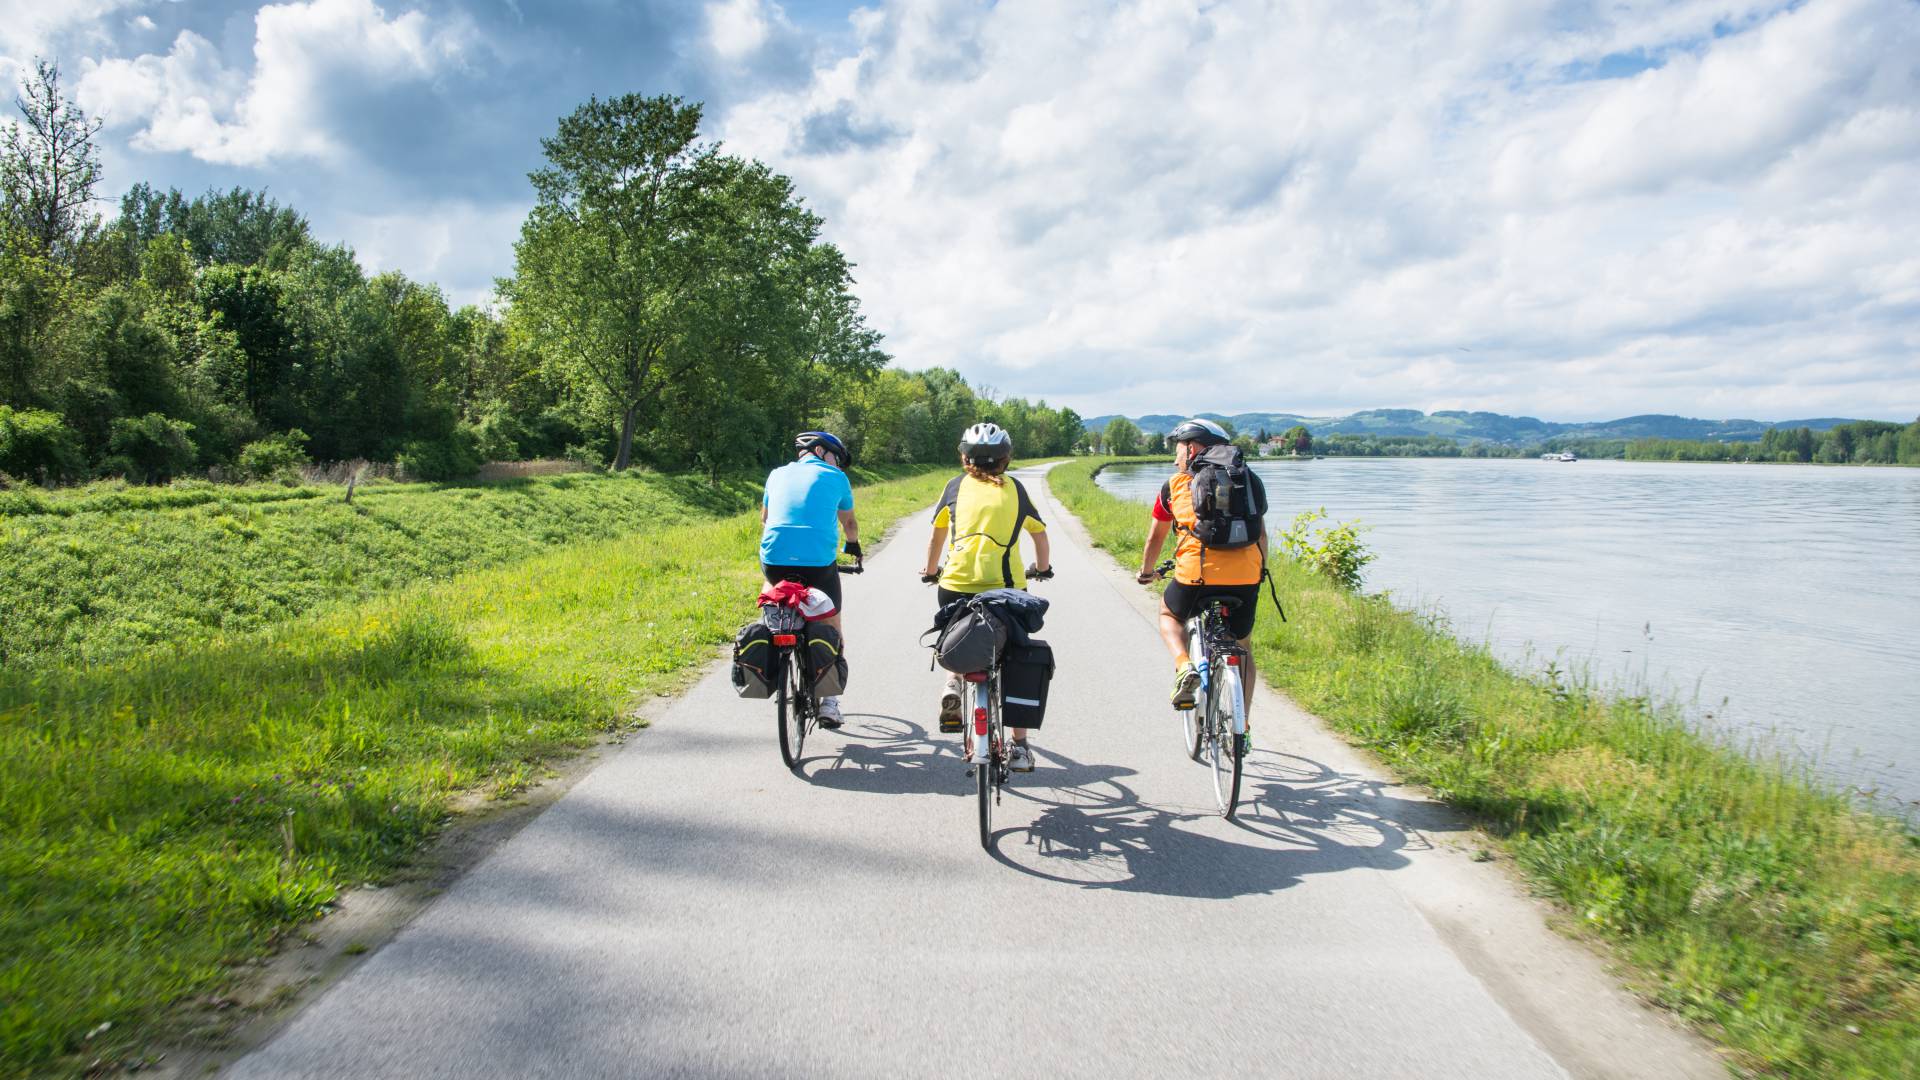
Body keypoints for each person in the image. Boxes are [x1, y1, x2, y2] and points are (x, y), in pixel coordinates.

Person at [921, 422, 1052, 772]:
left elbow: (936, 539)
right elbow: (1040, 537)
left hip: (955, 586)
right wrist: (1043, 567)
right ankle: (1020, 746)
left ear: (965, 458)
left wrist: (930, 571)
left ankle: (952, 682)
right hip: (1006, 590)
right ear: (1006, 460)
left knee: (955, 637)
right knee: (1013, 658)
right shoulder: (1017, 490)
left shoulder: (954, 487)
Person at [1135, 418, 1269, 732]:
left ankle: (1184, 665)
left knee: (1169, 613)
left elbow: (1156, 537)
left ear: (1193, 448)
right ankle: (1243, 726)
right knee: (1243, 646)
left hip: (1195, 575)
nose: (1175, 458)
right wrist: (1259, 572)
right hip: (1246, 579)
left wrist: (1146, 572)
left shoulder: (1176, 484)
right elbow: (1260, 535)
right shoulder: (1247, 479)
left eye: (1178, 450)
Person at [761, 431, 860, 727]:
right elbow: (850, 522)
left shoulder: (776, 474)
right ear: (819, 450)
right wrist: (852, 545)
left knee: (772, 591)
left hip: (773, 559)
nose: (838, 465)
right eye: (836, 458)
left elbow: (765, 518)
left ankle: (772, 628)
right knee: (831, 623)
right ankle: (830, 702)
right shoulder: (836, 477)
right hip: (818, 564)